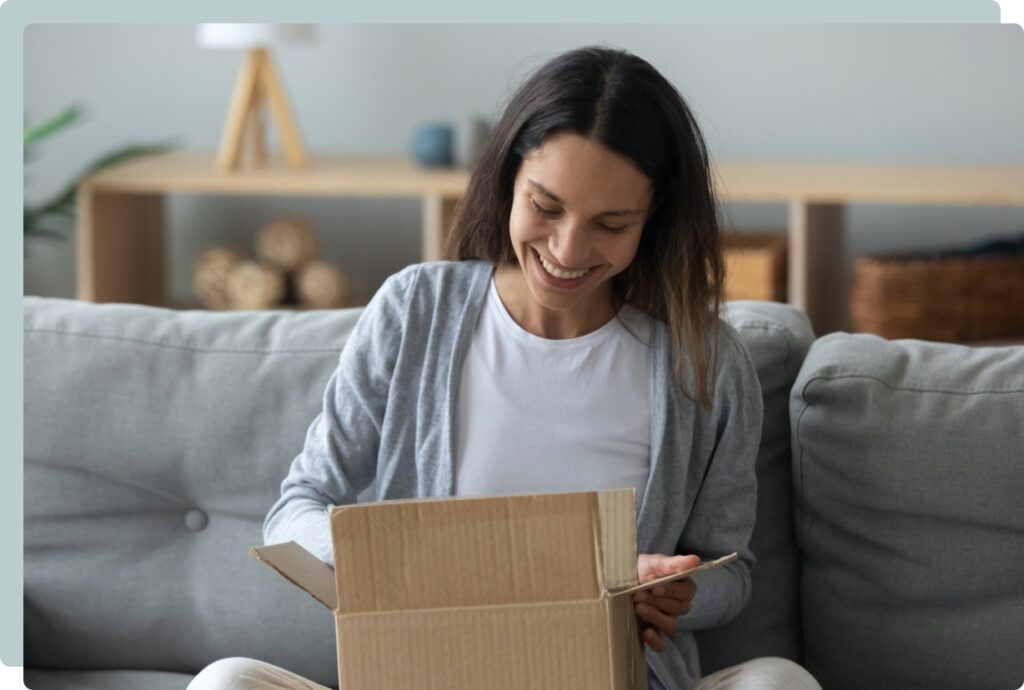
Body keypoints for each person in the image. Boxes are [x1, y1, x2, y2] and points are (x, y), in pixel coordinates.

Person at [189, 46, 821, 690]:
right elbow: (296, 509)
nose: (568, 251)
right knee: (226, 681)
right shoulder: (415, 310)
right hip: (428, 676)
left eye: (610, 223)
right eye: (546, 207)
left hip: (611, 680)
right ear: (507, 180)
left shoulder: (705, 361)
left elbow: (730, 570)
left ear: (652, 220)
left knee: (779, 682)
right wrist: (385, 559)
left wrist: (679, 594)